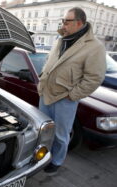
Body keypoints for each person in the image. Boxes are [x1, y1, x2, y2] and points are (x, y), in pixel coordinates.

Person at [37, 7, 106, 174]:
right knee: (43, 130)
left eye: (67, 21)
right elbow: (49, 61)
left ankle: (57, 161)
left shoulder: (94, 46)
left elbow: (94, 78)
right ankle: (41, 156)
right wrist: (42, 78)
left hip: (64, 98)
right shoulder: (62, 39)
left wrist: (72, 95)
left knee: (61, 135)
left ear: (79, 23)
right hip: (46, 93)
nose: (63, 24)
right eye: (63, 21)